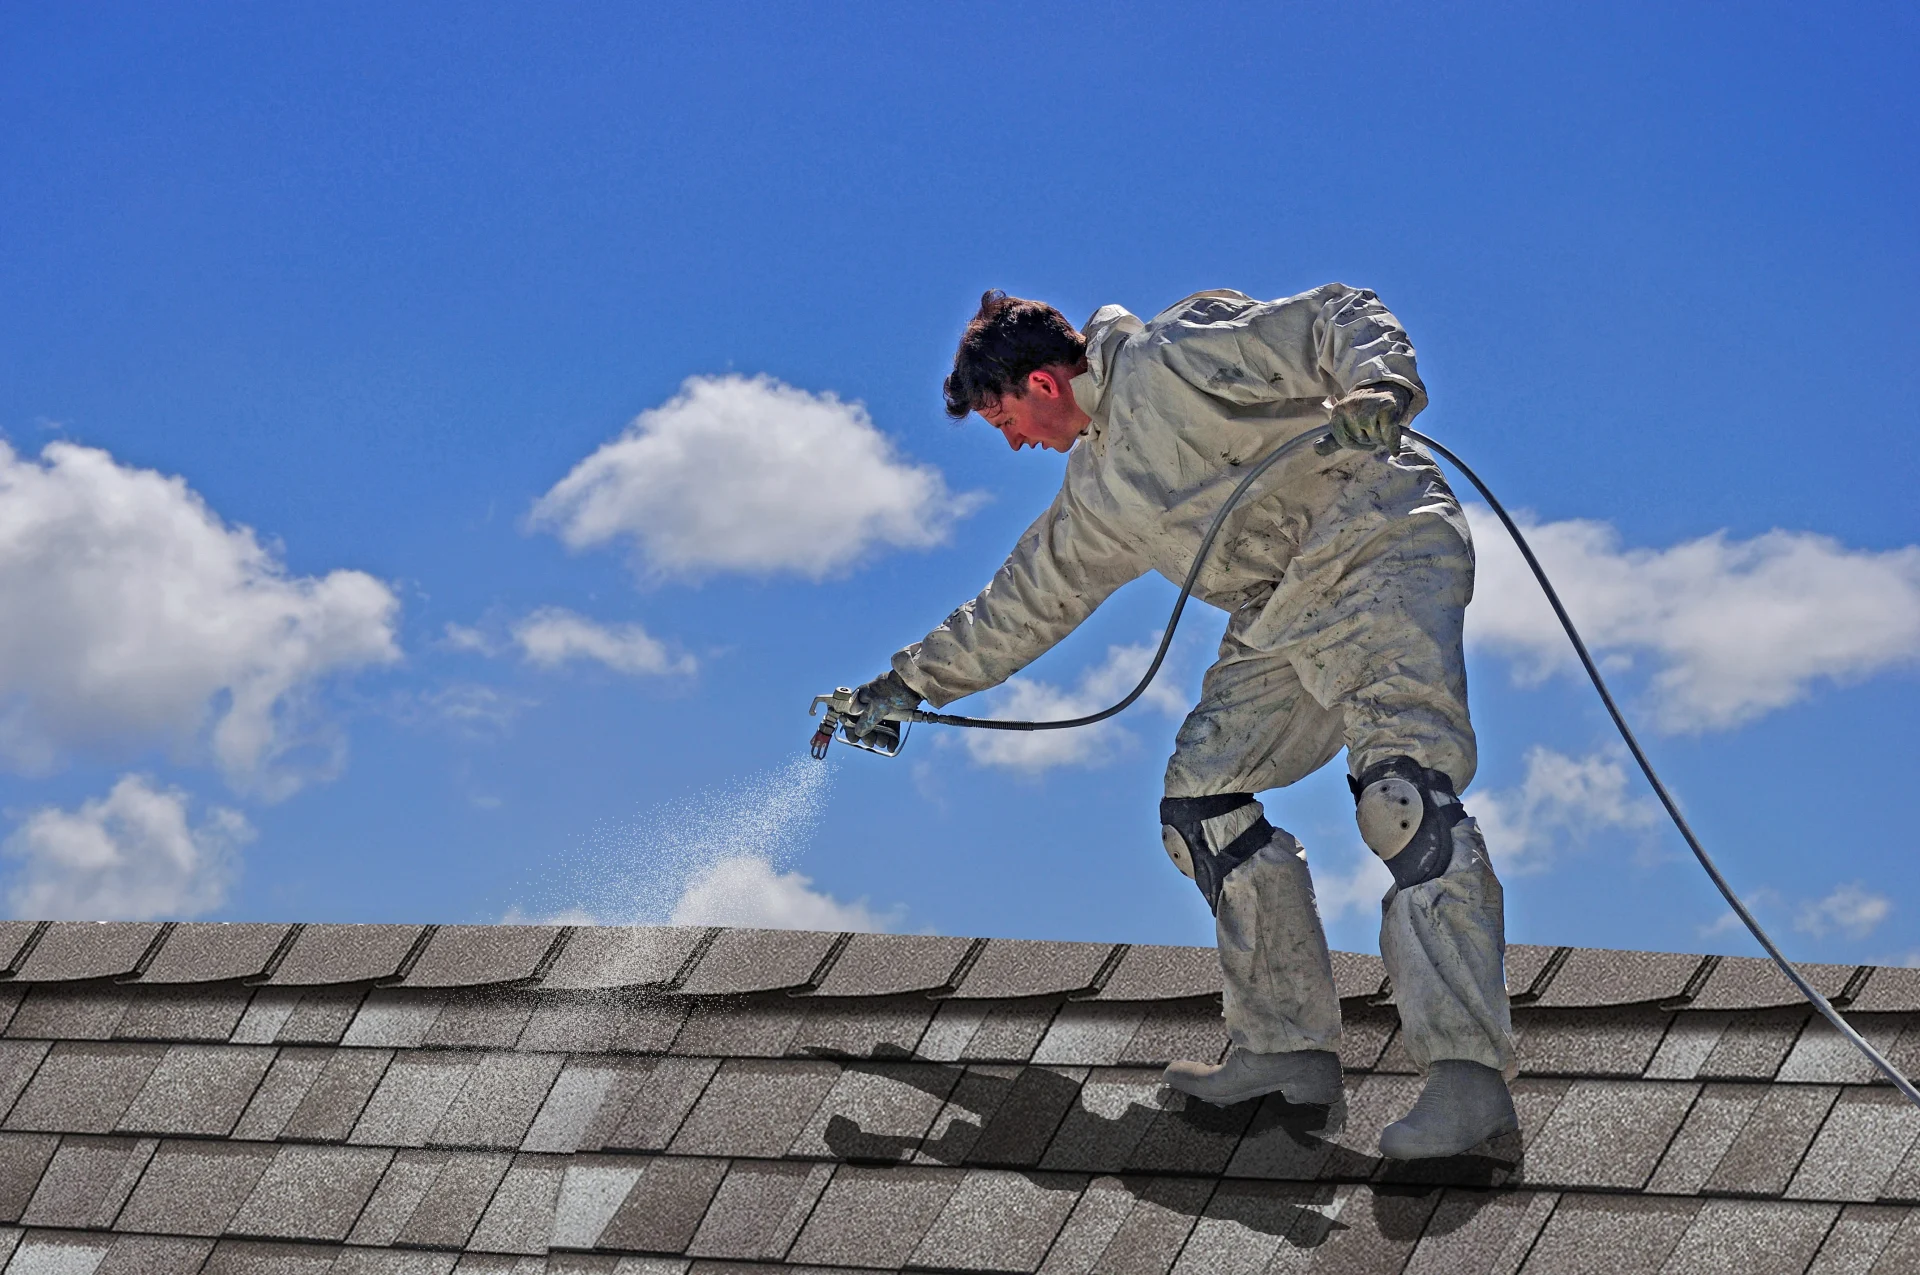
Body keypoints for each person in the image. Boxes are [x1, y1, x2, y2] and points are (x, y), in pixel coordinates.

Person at [843, 286, 1517, 1159]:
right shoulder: (1099, 492)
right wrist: (908, 683)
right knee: (1202, 804)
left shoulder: (1174, 359)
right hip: (1281, 614)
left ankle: (1470, 1088)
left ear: (1046, 384)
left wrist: (1378, 388)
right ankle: (1286, 1055)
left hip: (1375, 542)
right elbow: (1024, 601)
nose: (1011, 441)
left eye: (1005, 418)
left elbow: (1333, 316)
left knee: (1403, 799)